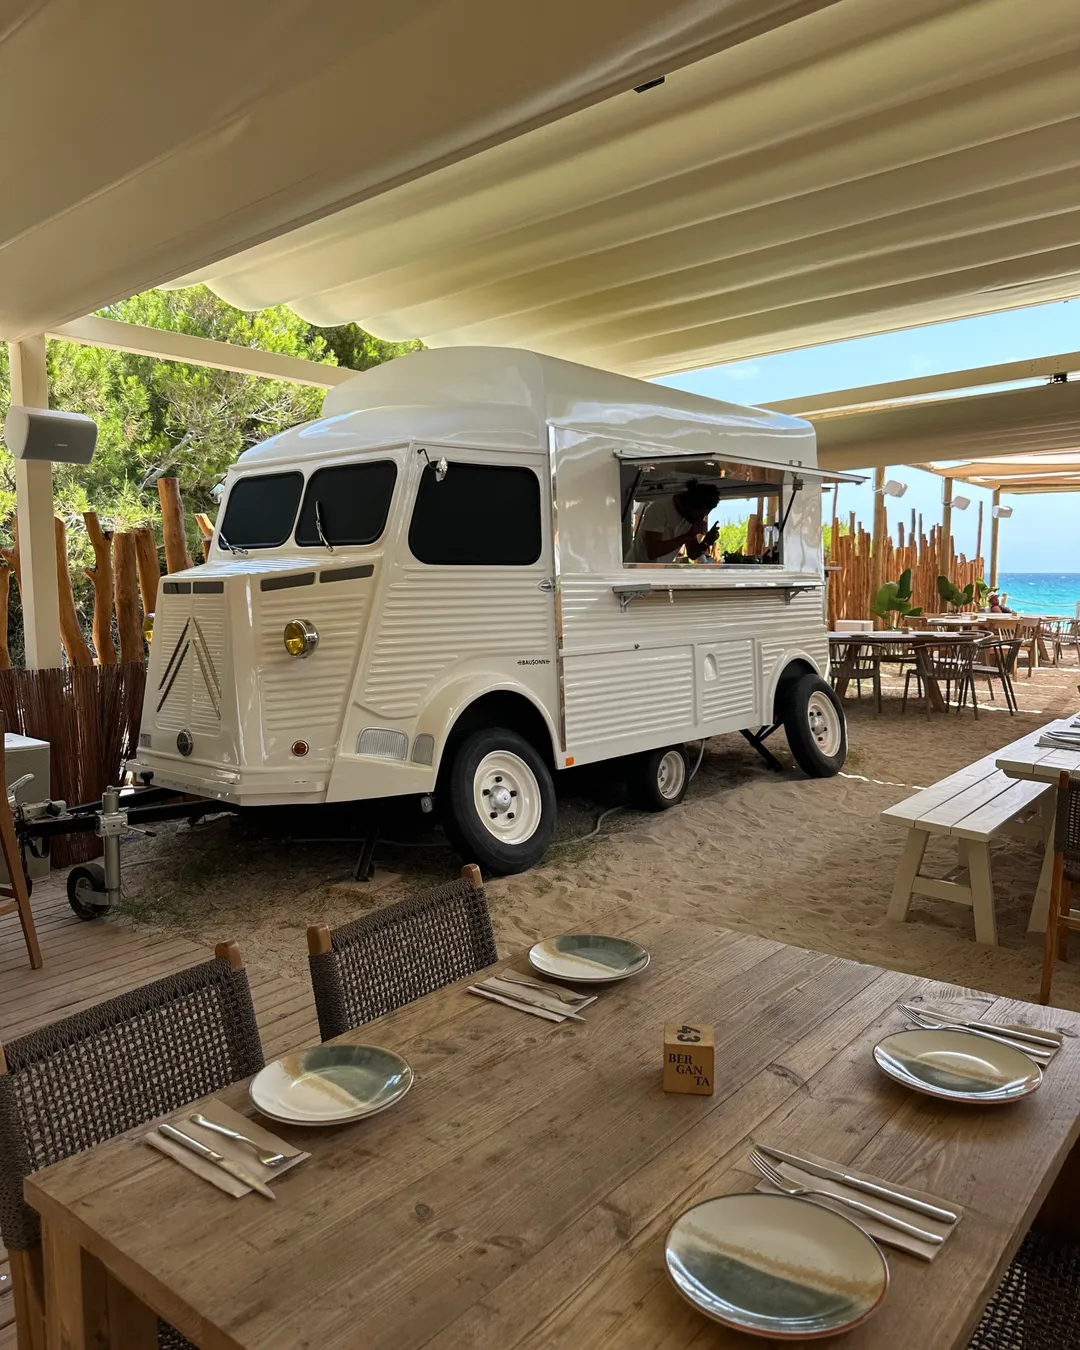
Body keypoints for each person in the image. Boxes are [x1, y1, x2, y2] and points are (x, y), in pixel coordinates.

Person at [631, 482, 721, 563]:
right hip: (635, 570)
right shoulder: (660, 509)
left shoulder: (689, 517)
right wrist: (689, 535)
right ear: (689, 504)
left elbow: (692, 554)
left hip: (657, 572)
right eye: (699, 515)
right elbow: (653, 552)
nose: (700, 519)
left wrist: (706, 542)